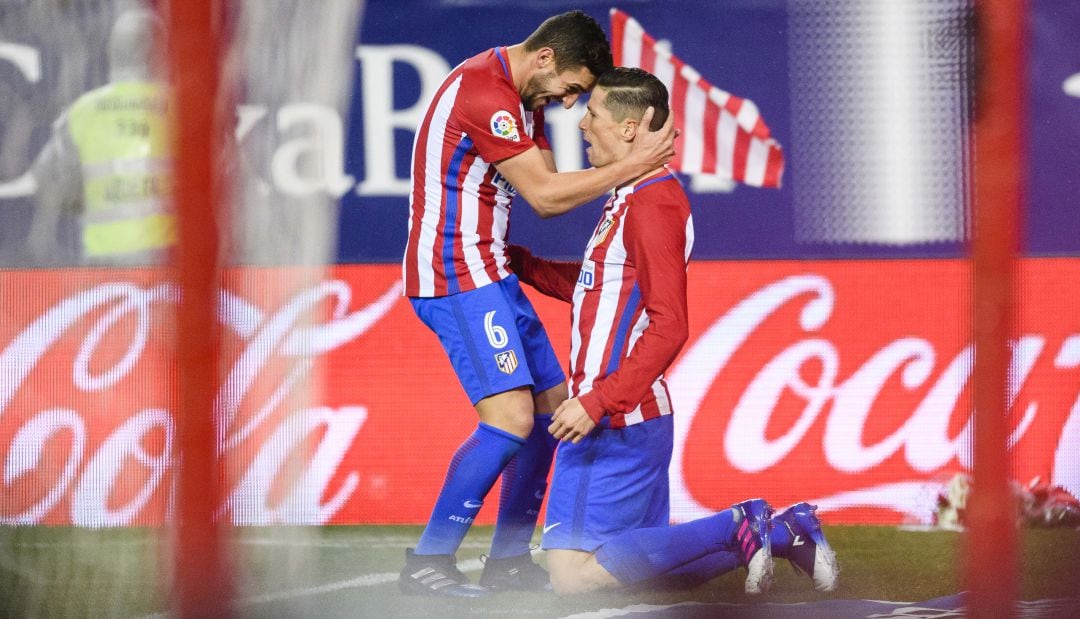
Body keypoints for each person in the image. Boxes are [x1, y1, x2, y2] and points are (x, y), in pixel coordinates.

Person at [508, 67, 840, 595]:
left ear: (630, 129)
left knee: (572, 580)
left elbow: (670, 325)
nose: (582, 125)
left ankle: (742, 520)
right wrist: (521, 263)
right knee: (640, 579)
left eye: (592, 114)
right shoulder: (630, 196)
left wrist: (597, 402)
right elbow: (600, 288)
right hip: (628, 415)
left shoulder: (653, 203)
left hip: (612, 419)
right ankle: (781, 533)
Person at [399, 11, 676, 598]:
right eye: (572, 89)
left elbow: (547, 179)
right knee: (509, 422)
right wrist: (634, 164)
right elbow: (547, 196)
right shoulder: (483, 89)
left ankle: (506, 561)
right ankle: (427, 562)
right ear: (545, 58)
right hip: (455, 275)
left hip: (490, 273)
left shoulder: (526, 100)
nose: (571, 103)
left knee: (553, 416)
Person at [28, 7, 174, 267]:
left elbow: (46, 185)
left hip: (104, 267)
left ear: (112, 54)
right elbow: (225, 181)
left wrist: (86, 203)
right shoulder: (186, 111)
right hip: (170, 265)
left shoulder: (83, 112)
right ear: (164, 54)